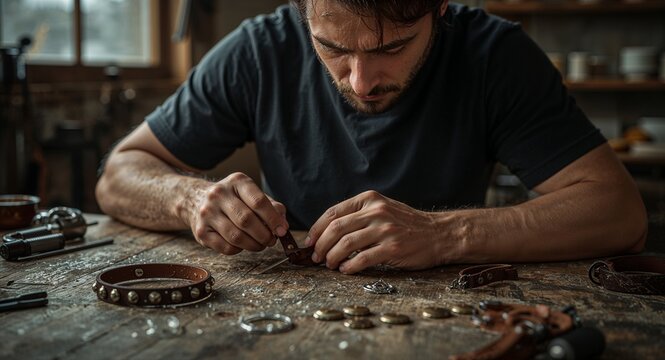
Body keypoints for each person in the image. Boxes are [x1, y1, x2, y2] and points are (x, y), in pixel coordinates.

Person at [96, 0, 647, 275]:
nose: (361, 81)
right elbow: (121, 172)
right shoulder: (260, 50)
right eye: (333, 48)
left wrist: (443, 235)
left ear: (439, 12)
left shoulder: (492, 56)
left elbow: (619, 213)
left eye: (391, 48)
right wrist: (189, 197)